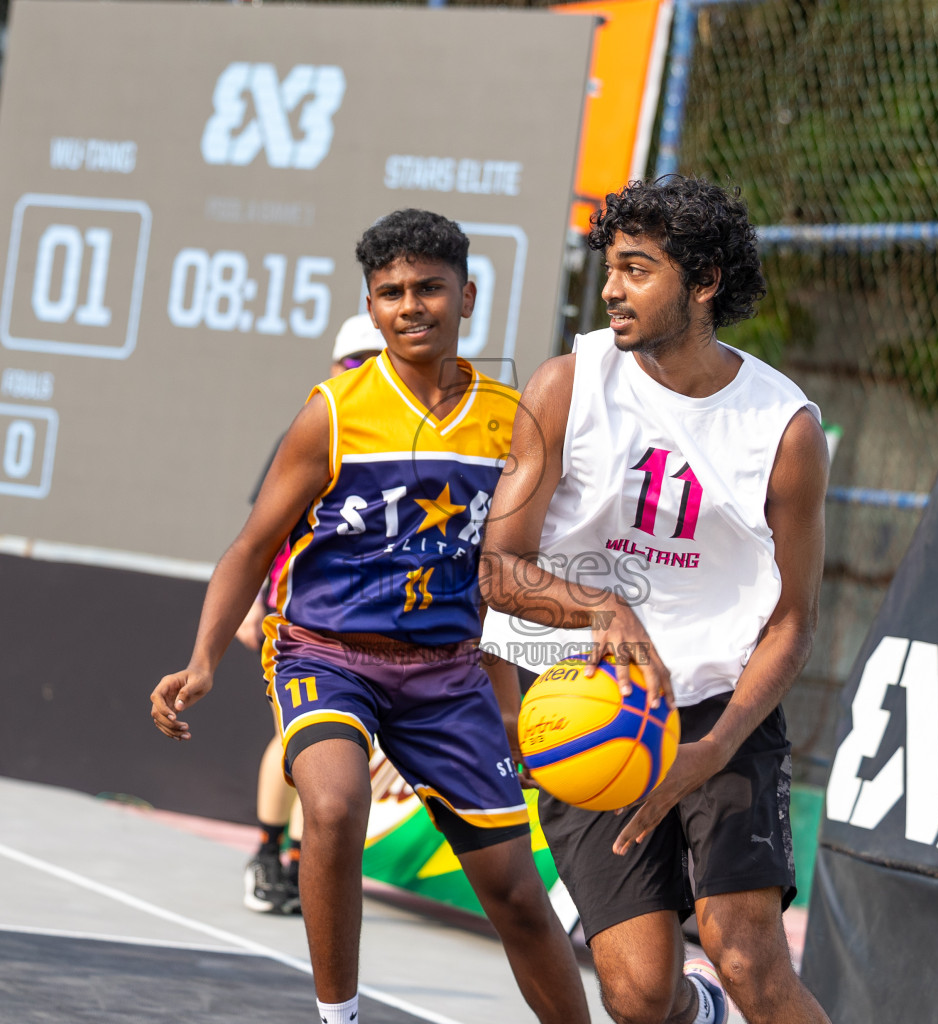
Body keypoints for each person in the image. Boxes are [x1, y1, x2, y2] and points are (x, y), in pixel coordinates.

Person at [151, 209, 589, 1024]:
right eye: (390, 292)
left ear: (467, 296)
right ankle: (338, 1017)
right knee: (334, 804)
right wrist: (204, 658)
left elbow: (504, 572)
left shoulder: (510, 421)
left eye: (429, 287)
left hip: (446, 674)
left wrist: (514, 680)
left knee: (517, 895)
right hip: (326, 655)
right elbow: (251, 547)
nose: (410, 305)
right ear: (372, 304)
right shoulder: (334, 411)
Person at [481, 176, 833, 1024]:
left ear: (702, 281)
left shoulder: (784, 430)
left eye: (637, 269)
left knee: (747, 957)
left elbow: (793, 623)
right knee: (639, 996)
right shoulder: (567, 386)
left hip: (720, 708)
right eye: (610, 268)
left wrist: (716, 748)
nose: (610, 289)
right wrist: (603, 609)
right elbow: (499, 567)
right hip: (589, 699)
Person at [237, 313, 387, 916]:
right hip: (302, 610)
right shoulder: (314, 427)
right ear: (332, 368)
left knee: (342, 747)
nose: (362, 372)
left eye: (372, 360)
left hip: (377, 621)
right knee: (297, 737)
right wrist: (253, 605)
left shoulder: (413, 441)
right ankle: (267, 855)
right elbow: (261, 531)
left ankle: (302, 859)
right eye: (353, 361)